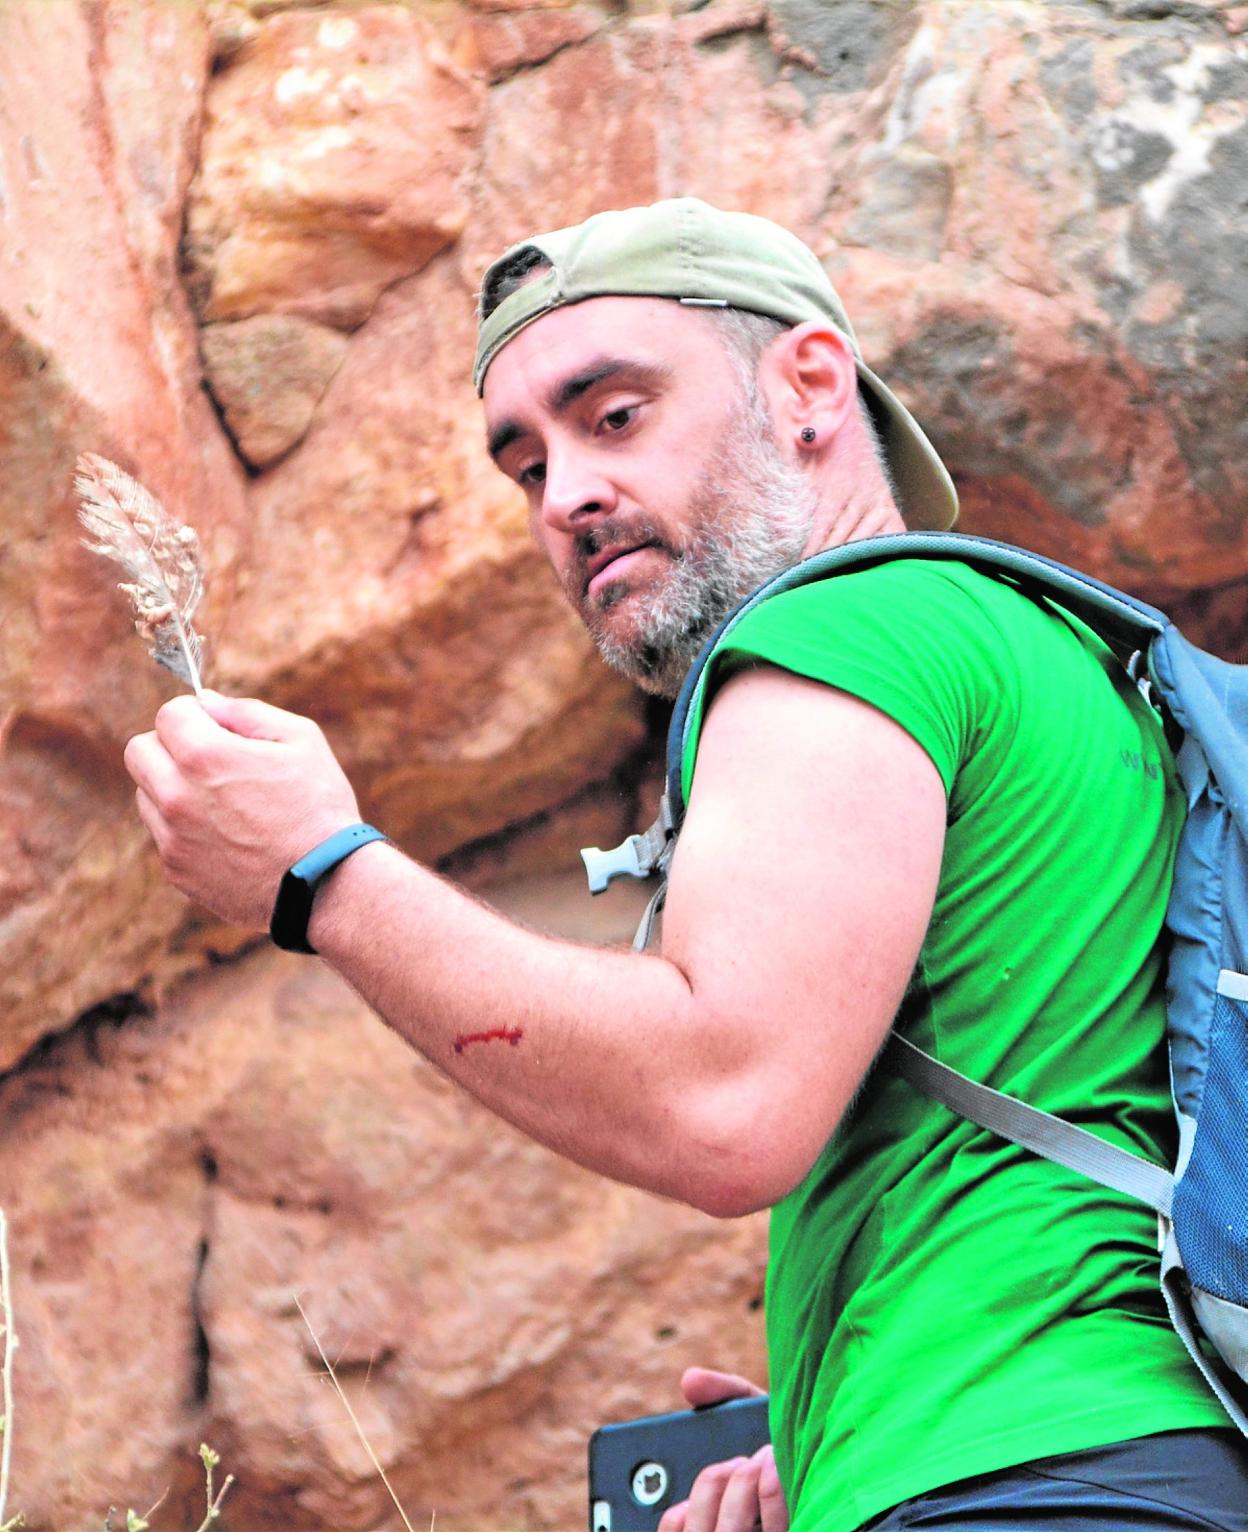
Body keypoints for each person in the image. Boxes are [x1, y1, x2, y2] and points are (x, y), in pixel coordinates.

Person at [123, 199, 1248, 1531]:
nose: (569, 498)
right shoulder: (1078, 672)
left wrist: (322, 876)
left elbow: (728, 1102)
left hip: (1023, 1483)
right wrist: (826, 1438)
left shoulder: (848, 630)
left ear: (810, 386)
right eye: (527, 467)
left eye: (614, 417)